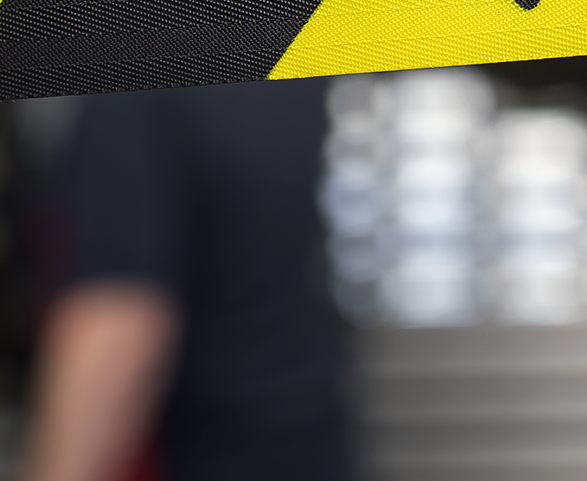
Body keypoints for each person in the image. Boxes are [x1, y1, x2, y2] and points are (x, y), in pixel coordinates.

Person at [19, 77, 348, 481]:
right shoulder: (288, 82)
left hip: (207, 456)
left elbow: (119, 323)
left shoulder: (133, 96)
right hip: (308, 444)